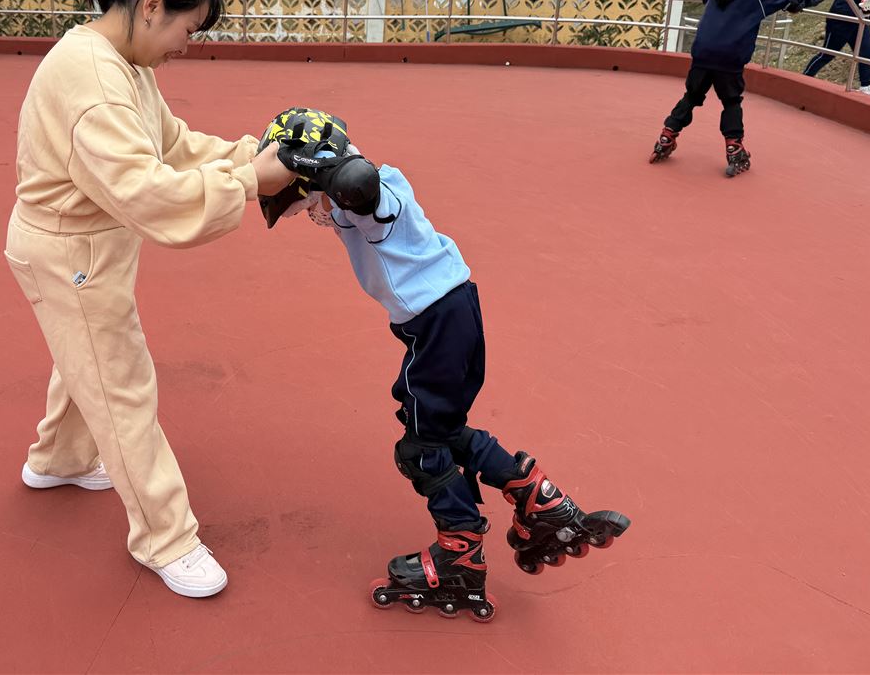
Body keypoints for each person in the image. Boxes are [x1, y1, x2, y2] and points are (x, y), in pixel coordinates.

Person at [258, 107, 631, 622]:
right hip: (452, 313)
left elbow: (362, 188)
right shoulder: (371, 192)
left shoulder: (371, 193)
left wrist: (328, 172)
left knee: (420, 448)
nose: (312, 216)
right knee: (441, 429)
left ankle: (460, 552)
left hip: (436, 325)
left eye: (306, 205)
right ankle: (538, 499)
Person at [3, 0, 292, 599]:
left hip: (77, 247)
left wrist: (254, 155)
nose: (187, 47)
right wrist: (253, 181)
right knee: (121, 387)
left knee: (85, 358)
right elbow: (148, 194)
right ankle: (167, 539)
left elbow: (172, 145)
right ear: (153, 6)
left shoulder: (122, 61)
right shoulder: (95, 83)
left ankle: (58, 459)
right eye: (189, 31)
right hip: (69, 253)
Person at [649, 0, 832, 177]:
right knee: (731, 102)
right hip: (730, 56)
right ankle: (734, 148)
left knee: (691, 96)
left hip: (702, 52)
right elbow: (793, 1)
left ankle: (666, 136)